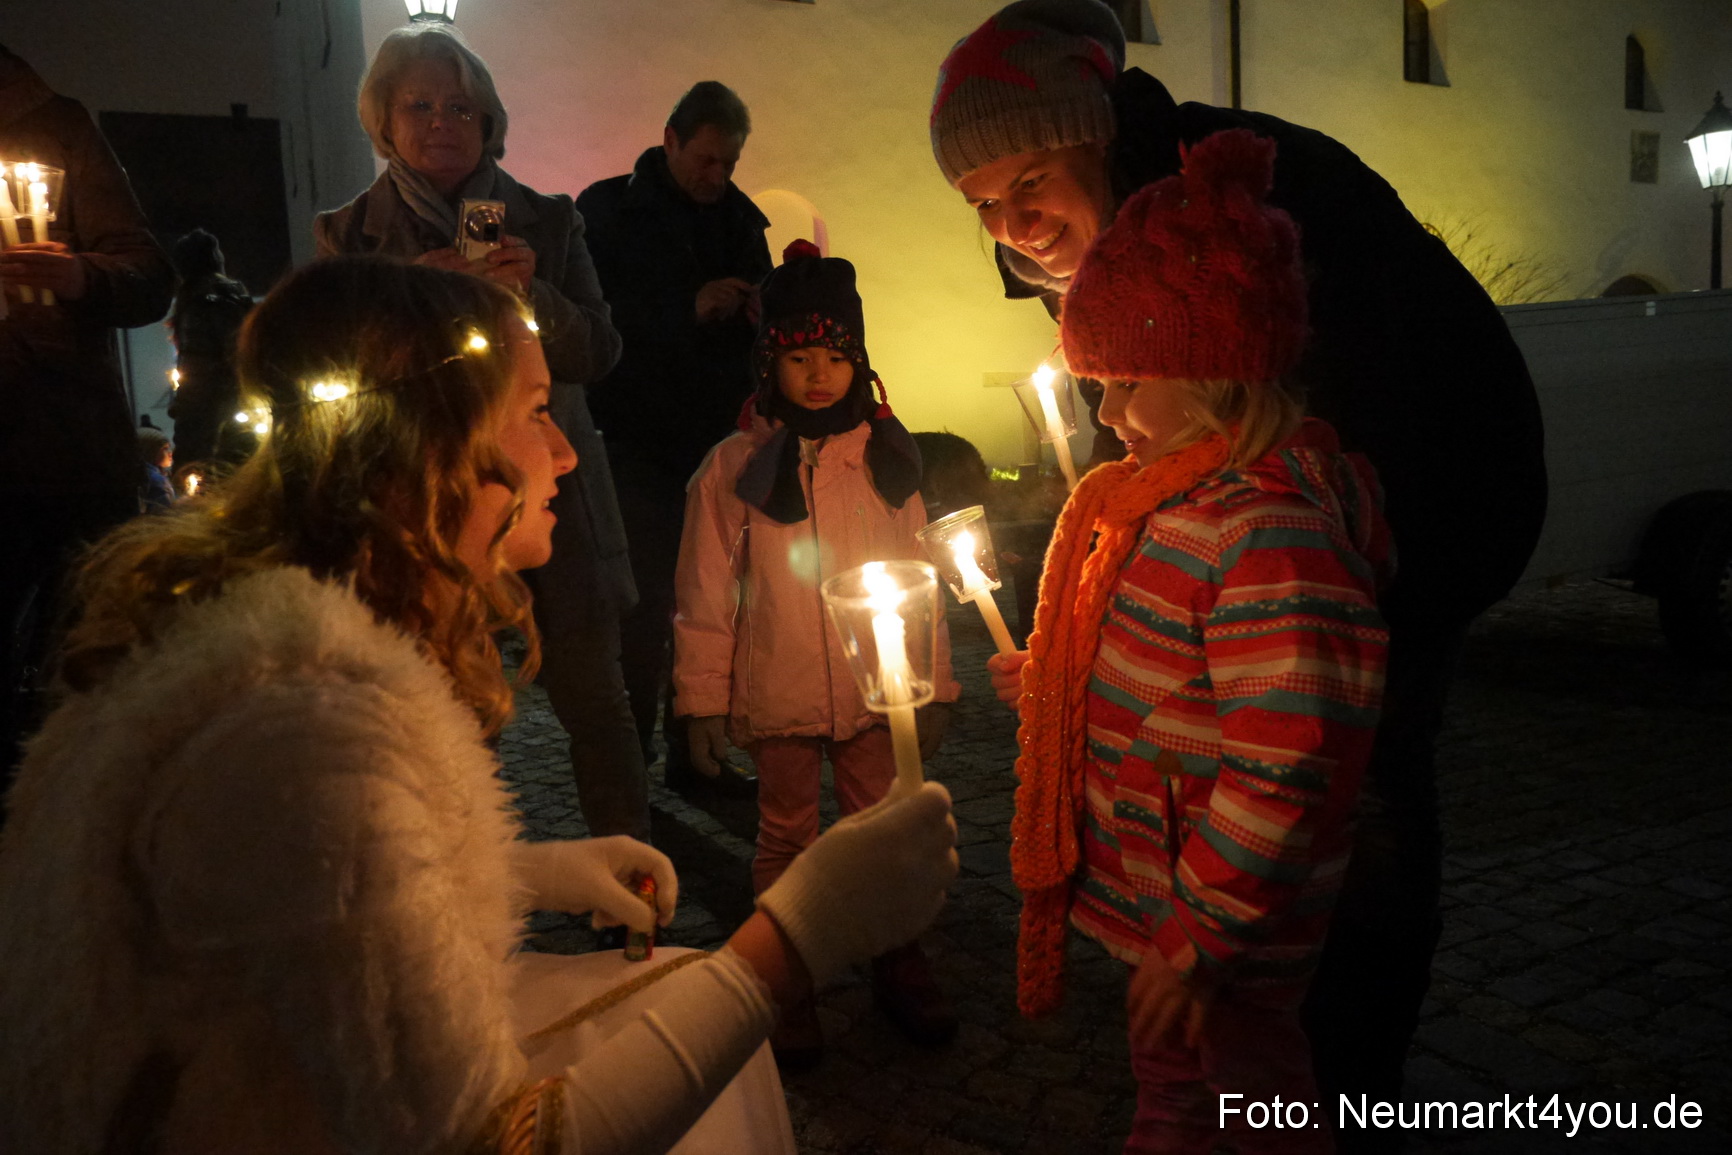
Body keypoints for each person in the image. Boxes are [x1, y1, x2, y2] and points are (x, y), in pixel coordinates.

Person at [0, 256, 960, 1155]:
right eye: (538, 412)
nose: (567, 457)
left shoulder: (298, 658)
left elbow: (326, 911)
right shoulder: (304, 735)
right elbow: (507, 1138)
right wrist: (800, 934)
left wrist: (518, 871)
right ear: (433, 446)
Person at [931, 1, 1548, 1132]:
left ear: (1093, 131)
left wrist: (1311, 602)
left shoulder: (1246, 209)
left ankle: (1335, 1071)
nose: (1010, 226)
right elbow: (1176, 467)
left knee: (1341, 790)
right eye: (981, 205)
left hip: (1421, 515)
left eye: (1027, 184)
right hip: (1300, 523)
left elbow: (1315, 453)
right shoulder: (1114, 239)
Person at [987, 130, 1391, 1153]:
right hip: (1167, 910)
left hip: (1223, 936)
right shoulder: (1179, 503)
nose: (1109, 413)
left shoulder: (1270, 535)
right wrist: (1054, 683)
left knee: (1253, 1106)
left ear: (1210, 370)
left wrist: (1200, 935)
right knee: (1172, 1091)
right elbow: (1177, 673)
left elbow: (1284, 759)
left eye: (1126, 381)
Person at [316, 23, 650, 848]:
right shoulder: (350, 235)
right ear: (384, 122)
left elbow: (601, 352)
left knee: (595, 702)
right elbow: (331, 380)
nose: (440, 121)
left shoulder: (547, 220)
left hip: (554, 497)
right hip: (430, 506)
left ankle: (636, 884)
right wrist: (404, 304)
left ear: (488, 119)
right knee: (456, 711)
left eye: (459, 106)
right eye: (419, 105)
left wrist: (536, 297)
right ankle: (467, 884)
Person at [673, 241, 960, 1067]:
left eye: (837, 356)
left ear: (859, 361)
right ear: (771, 362)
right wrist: (700, 700)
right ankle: (787, 976)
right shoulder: (734, 469)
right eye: (800, 356)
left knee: (882, 829)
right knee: (787, 836)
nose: (820, 373)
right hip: (781, 691)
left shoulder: (885, 460)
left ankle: (898, 953)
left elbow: (919, 582)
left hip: (880, 695)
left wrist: (932, 682)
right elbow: (703, 593)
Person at [577, 82, 773, 796]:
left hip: (719, 441)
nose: (718, 177)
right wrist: (687, 306)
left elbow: (772, 319)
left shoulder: (742, 223)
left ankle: (701, 750)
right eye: (708, 160)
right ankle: (631, 765)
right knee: (643, 605)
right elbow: (595, 321)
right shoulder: (605, 212)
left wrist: (759, 311)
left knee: (718, 604)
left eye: (729, 163)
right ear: (671, 141)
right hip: (638, 441)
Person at [0, 43, 176, 809]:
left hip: (58, 446)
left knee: (88, 664)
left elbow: (147, 276)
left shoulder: (50, 125)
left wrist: (77, 275)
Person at [165, 227, 254, 469]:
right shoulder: (234, 301)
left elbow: (199, 373)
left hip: (211, 425)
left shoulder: (201, 305)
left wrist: (184, 419)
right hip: (240, 415)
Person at [136, 424, 175, 510]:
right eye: (165, 448)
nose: (170, 453)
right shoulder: (156, 480)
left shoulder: (138, 474)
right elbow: (166, 511)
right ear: (150, 451)